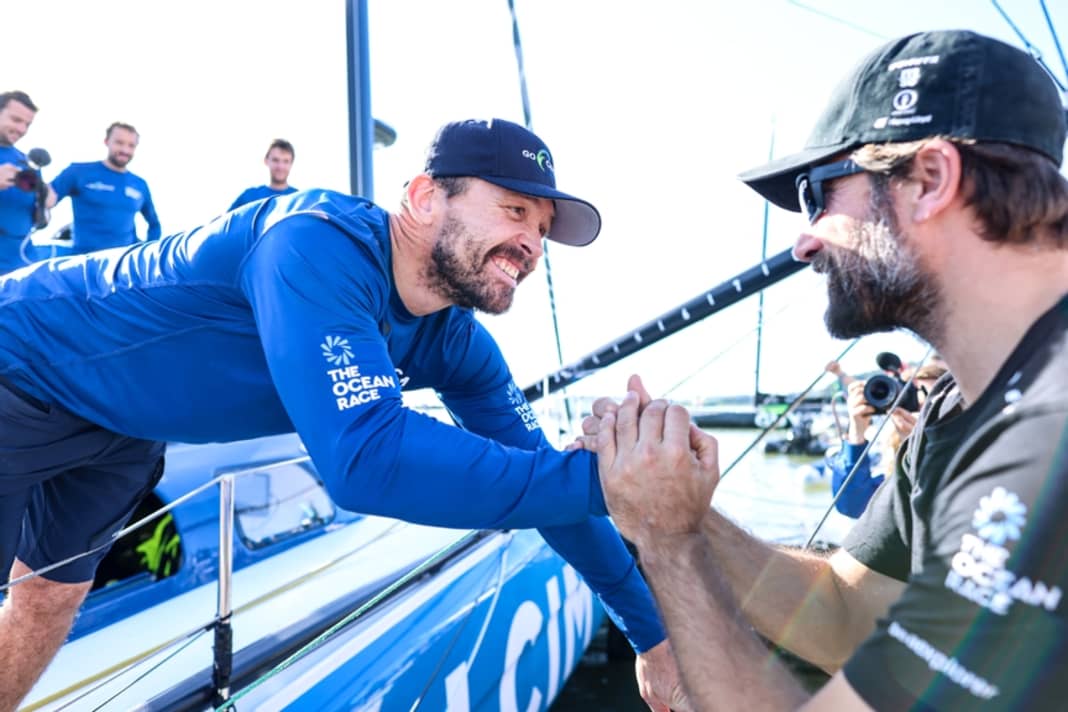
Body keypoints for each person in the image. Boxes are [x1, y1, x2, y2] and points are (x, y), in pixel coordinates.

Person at [0, 118, 685, 712]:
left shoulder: (455, 342)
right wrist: (612, 482)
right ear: (422, 197)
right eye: (513, 210)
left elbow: (543, 482)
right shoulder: (312, 242)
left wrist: (651, 637)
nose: (533, 244)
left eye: (541, 230)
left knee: (48, 600)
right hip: (19, 362)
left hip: (127, 425)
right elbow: (367, 461)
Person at [584, 30, 1068, 710]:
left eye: (818, 196)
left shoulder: (1044, 433)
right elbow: (845, 611)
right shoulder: (961, 409)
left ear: (930, 181)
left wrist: (668, 545)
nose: (804, 240)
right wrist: (684, 508)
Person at [828, 363, 946, 517]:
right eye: (913, 402)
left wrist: (921, 452)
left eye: (932, 404)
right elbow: (853, 507)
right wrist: (856, 435)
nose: (921, 413)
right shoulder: (892, 464)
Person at [49, 122, 161, 254]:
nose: (125, 150)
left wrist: (146, 254)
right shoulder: (78, 172)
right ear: (107, 141)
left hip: (122, 264)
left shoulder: (140, 184)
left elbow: (154, 225)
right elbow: (46, 199)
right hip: (83, 262)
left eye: (131, 145)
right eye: (119, 143)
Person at [0, 91, 48, 273]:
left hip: (22, 268)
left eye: (27, 124)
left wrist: (44, 200)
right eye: (15, 120)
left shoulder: (27, 163)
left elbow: (39, 220)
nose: (22, 129)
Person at [228, 138, 298, 210]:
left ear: (291, 163)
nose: (280, 166)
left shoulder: (299, 200)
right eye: (275, 160)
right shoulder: (249, 196)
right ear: (266, 161)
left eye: (286, 161)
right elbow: (224, 220)